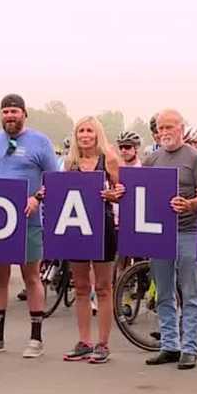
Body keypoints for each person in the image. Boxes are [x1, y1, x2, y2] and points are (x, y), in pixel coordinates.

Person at [0, 93, 58, 358]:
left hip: (29, 219)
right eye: (5, 112)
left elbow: (53, 181)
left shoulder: (40, 142)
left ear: (24, 113)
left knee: (30, 276)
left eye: (14, 111)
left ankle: (36, 339)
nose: (10, 116)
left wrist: (36, 198)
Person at [142, 110, 197, 369]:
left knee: (190, 292)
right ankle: (170, 344)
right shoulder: (151, 159)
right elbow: (140, 192)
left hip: (188, 231)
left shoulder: (195, 158)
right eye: (160, 127)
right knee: (164, 292)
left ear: (181, 128)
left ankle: (190, 347)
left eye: (170, 126)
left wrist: (190, 204)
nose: (165, 131)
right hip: (159, 233)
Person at [60, 118, 124, 364]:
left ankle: (103, 343)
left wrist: (113, 195)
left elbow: (122, 192)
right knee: (81, 287)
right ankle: (84, 341)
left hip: (103, 225)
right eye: (80, 131)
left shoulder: (108, 159)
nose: (85, 135)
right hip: (76, 227)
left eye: (89, 131)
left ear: (97, 134)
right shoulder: (70, 162)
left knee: (103, 288)